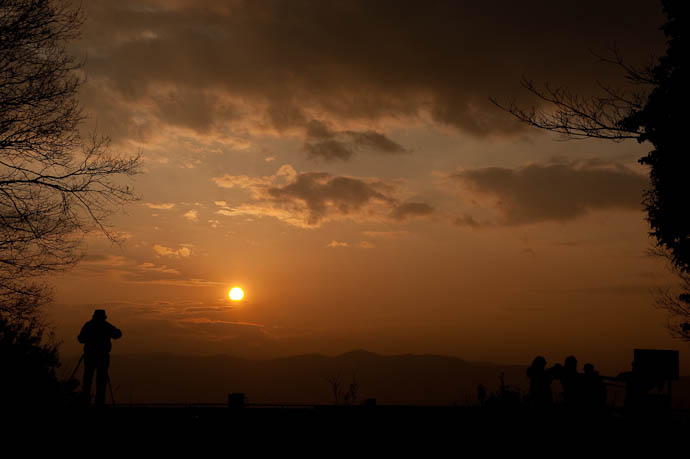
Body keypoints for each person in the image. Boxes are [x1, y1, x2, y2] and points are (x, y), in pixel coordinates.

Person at [77, 309, 122, 405]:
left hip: (90, 355)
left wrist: (89, 340)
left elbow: (80, 338)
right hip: (102, 356)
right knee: (101, 380)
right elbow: (118, 334)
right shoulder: (106, 326)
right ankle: (99, 403)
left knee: (88, 379)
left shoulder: (88, 325)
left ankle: (85, 401)